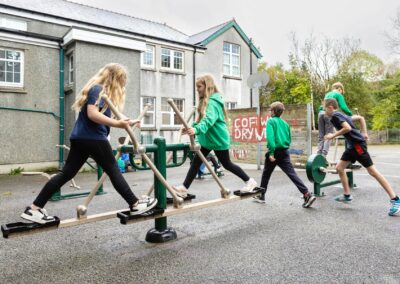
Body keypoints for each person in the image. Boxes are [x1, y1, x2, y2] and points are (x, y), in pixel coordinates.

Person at [20, 63, 157, 224]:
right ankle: (135, 204)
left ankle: (34, 209)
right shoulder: (97, 90)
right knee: (113, 169)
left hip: (80, 138)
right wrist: (118, 124)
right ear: (115, 79)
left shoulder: (101, 93)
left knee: (67, 173)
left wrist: (128, 121)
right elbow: (92, 115)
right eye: (122, 82)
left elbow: (111, 116)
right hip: (93, 138)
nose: (122, 86)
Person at [172, 74, 257, 197]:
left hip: (218, 139)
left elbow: (209, 121)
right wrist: (192, 128)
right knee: (196, 162)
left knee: (227, 164)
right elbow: (201, 120)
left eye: (199, 86)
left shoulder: (213, 103)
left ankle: (250, 181)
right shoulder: (204, 102)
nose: (197, 89)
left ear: (207, 86)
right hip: (208, 140)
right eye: (196, 87)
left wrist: (196, 130)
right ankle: (184, 187)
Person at [323, 98, 399, 216]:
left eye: (324, 108)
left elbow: (347, 128)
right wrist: (364, 132)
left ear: (330, 107)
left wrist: (333, 135)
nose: (324, 111)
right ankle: (347, 195)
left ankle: (395, 199)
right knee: (339, 168)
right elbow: (360, 118)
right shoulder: (341, 115)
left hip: (357, 146)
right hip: (352, 146)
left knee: (373, 172)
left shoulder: (335, 116)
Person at [253, 102, 316, 208]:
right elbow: (289, 139)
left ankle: (261, 196)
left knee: (266, 174)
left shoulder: (271, 122)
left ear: (273, 111)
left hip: (275, 152)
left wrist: (271, 153)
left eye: (271, 110)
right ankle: (307, 194)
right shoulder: (286, 124)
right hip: (285, 152)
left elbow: (271, 139)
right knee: (292, 174)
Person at [317, 82, 353, 157]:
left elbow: (323, 105)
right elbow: (344, 107)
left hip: (320, 113)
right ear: (340, 89)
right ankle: (323, 157)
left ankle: (318, 155)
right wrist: (350, 115)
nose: (341, 94)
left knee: (321, 135)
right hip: (328, 114)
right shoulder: (338, 94)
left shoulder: (327, 94)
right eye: (342, 92)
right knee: (329, 135)